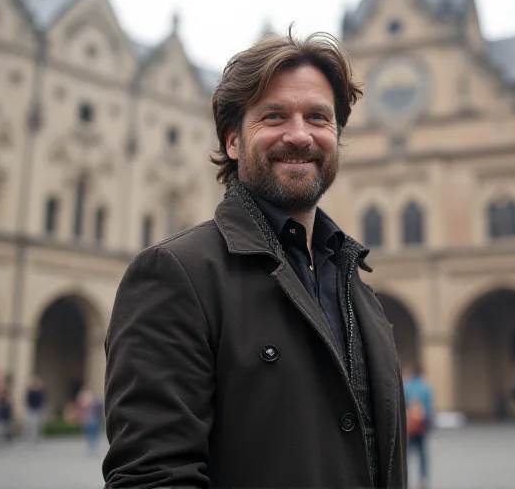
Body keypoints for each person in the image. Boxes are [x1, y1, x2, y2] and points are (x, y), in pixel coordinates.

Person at [103, 27, 408, 489]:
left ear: (336, 137)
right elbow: (152, 479)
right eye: (274, 116)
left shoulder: (357, 289)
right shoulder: (176, 274)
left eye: (318, 118)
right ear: (232, 141)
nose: (300, 135)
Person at [403, 365, 434, 489]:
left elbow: (403, 405)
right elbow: (430, 408)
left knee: (407, 453)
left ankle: (405, 477)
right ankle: (423, 478)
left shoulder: (407, 386)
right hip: (422, 424)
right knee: (422, 453)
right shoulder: (426, 386)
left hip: (411, 425)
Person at [24, 377, 45, 444]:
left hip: (37, 410)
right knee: (29, 424)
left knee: (36, 425)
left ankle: (35, 437)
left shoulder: (40, 392)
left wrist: (40, 408)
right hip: (31, 409)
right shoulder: (30, 392)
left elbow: (41, 401)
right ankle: (28, 437)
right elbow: (27, 400)